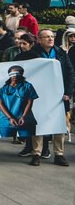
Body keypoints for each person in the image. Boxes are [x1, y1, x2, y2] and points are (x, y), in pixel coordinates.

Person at [26, 29, 72, 166]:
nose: (50, 39)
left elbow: (70, 73)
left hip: (59, 96)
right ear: (39, 39)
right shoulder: (32, 54)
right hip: (39, 95)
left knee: (59, 125)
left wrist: (68, 93)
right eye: (46, 37)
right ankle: (37, 153)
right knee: (38, 124)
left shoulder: (60, 53)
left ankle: (59, 154)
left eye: (52, 37)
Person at [0, 65, 39, 163]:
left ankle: (30, 150)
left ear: (22, 74)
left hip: (25, 117)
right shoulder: (3, 89)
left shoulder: (27, 86)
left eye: (17, 73)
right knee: (5, 135)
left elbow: (30, 102)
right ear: (9, 75)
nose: (15, 76)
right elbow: (0, 103)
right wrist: (10, 118)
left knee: (29, 137)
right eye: (12, 73)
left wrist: (24, 116)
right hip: (6, 119)